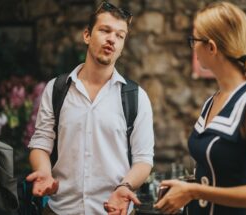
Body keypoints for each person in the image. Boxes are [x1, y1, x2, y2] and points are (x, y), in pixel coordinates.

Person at [26, 2, 154, 215]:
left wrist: (125, 187)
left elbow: (143, 159)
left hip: (115, 210)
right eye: (105, 30)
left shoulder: (136, 97)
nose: (112, 39)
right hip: (60, 210)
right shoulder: (57, 89)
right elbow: (41, 142)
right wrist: (44, 173)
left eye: (120, 35)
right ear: (87, 35)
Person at [154, 2, 246, 215]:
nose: (192, 47)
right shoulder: (212, 101)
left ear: (211, 47)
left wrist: (195, 191)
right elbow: (218, 171)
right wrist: (182, 188)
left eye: (194, 40)